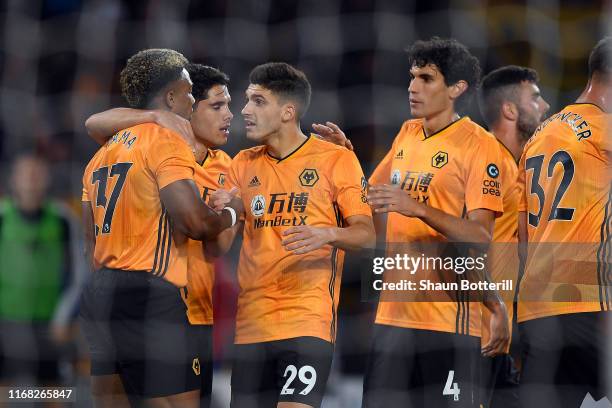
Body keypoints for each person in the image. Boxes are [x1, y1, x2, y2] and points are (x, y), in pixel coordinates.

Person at [80, 49, 242, 407]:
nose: (190, 99)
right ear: (172, 97)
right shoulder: (166, 142)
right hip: (154, 295)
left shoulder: (102, 152)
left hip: (102, 292)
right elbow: (196, 224)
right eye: (189, 92)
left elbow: (90, 240)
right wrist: (232, 212)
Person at [212, 62, 375, 408]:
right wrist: (225, 212)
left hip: (306, 322)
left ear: (288, 111)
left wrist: (327, 233)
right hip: (251, 328)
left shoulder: (335, 159)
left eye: (258, 101)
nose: (244, 111)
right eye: (246, 101)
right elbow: (219, 247)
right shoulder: (240, 164)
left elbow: (367, 236)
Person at [361, 37, 509, 407]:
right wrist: (345, 158)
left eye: (426, 78)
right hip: (393, 317)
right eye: (412, 77)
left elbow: (480, 235)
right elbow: (371, 194)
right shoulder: (408, 133)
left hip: (447, 322)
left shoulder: (479, 145)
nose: (413, 87)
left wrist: (419, 209)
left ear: (457, 88)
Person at [517, 37, 612, 408]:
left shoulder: (542, 133)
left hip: (537, 307)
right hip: (590, 303)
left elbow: (523, 234)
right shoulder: (604, 130)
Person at [477, 65, 550, 407]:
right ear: (509, 109)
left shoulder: (515, 166)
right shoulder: (485, 160)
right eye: (535, 98)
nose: (545, 106)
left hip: (497, 340)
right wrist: (495, 306)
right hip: (471, 335)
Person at [0, 154, 84, 388]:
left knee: (56, 394)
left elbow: (79, 273)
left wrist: (64, 317)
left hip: (51, 325)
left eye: (37, 172)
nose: (31, 178)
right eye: (25, 173)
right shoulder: (3, 217)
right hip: (6, 323)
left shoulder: (63, 219)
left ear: (47, 179)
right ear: (14, 179)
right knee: (6, 393)